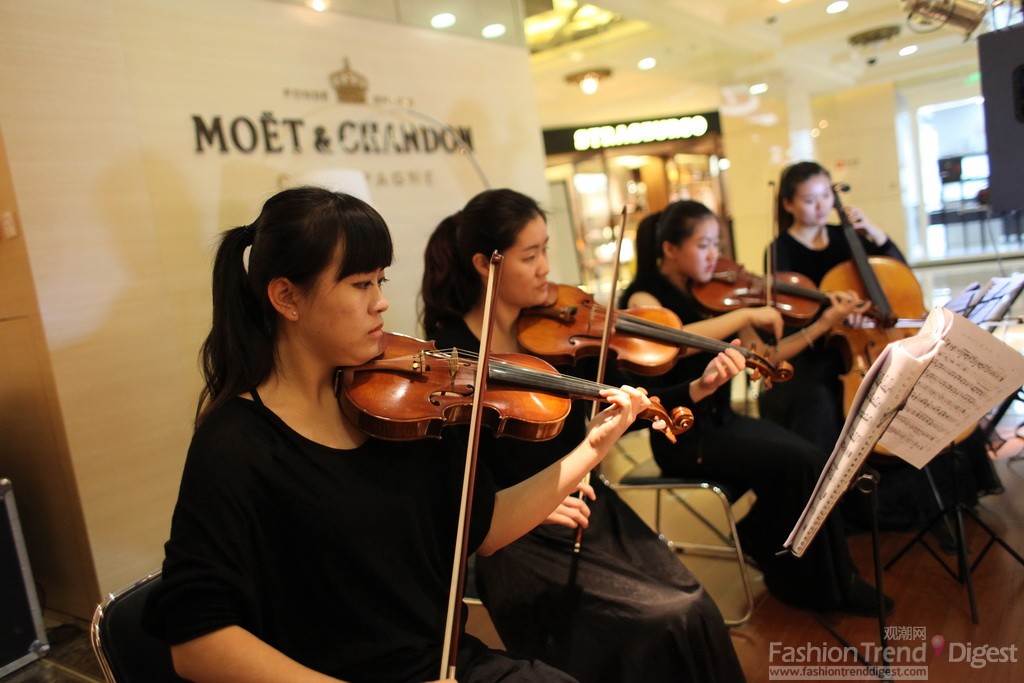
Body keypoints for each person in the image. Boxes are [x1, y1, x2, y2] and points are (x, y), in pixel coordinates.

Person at [141, 186, 658, 682]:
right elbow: (198, 645)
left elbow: (482, 528)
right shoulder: (235, 445)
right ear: (286, 298)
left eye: (381, 282)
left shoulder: (398, 412)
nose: (381, 303)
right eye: (361, 284)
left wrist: (592, 448)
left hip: (448, 665)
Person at [420, 188, 747, 683]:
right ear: (487, 266)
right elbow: (455, 484)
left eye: (546, 249)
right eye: (531, 255)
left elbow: (606, 413)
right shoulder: (455, 358)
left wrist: (695, 388)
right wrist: (532, 503)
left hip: (588, 507)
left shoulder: (550, 337)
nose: (546, 267)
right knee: (663, 619)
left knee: (695, 605)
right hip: (520, 539)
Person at [620, 198, 892, 617]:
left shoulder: (715, 295)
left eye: (717, 243)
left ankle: (791, 560)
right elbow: (670, 337)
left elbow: (767, 356)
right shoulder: (644, 294)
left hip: (722, 422)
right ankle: (824, 582)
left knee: (811, 456)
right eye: (703, 244)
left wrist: (823, 323)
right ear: (671, 249)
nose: (715, 255)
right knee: (799, 459)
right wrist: (745, 313)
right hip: (682, 433)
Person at [757, 160, 906, 454]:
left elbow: (899, 274)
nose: (822, 205)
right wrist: (831, 317)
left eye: (827, 195)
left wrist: (874, 233)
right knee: (820, 401)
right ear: (788, 204)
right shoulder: (780, 249)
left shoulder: (846, 236)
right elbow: (789, 314)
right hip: (815, 347)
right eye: (810, 200)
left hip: (863, 340)